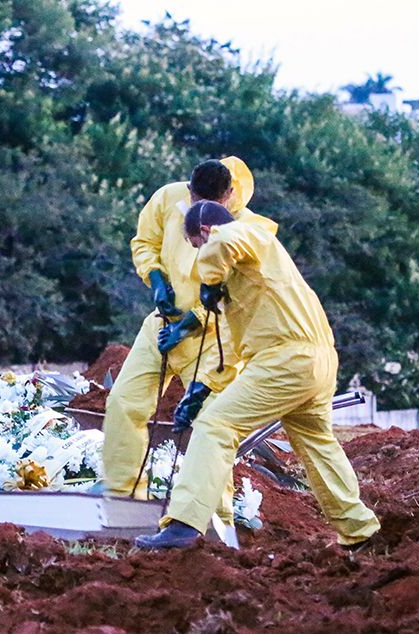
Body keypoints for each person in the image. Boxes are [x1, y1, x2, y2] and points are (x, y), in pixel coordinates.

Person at [135, 200, 380, 550]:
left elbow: (221, 243)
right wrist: (201, 389)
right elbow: (232, 346)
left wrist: (209, 278)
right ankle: (360, 531)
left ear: (205, 231)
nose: (198, 256)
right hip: (315, 363)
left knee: (215, 426)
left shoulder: (243, 234)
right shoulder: (252, 272)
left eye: (195, 246)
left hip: (286, 359)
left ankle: (185, 524)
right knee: (316, 443)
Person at [101, 157, 277, 526]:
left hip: (215, 340)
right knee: (124, 402)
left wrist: (193, 321)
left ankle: (215, 517)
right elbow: (145, 241)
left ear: (228, 197)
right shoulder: (168, 197)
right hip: (161, 324)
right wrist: (156, 279)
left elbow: (237, 300)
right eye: (193, 201)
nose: (198, 211)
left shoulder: (252, 231)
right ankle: (124, 501)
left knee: (212, 427)